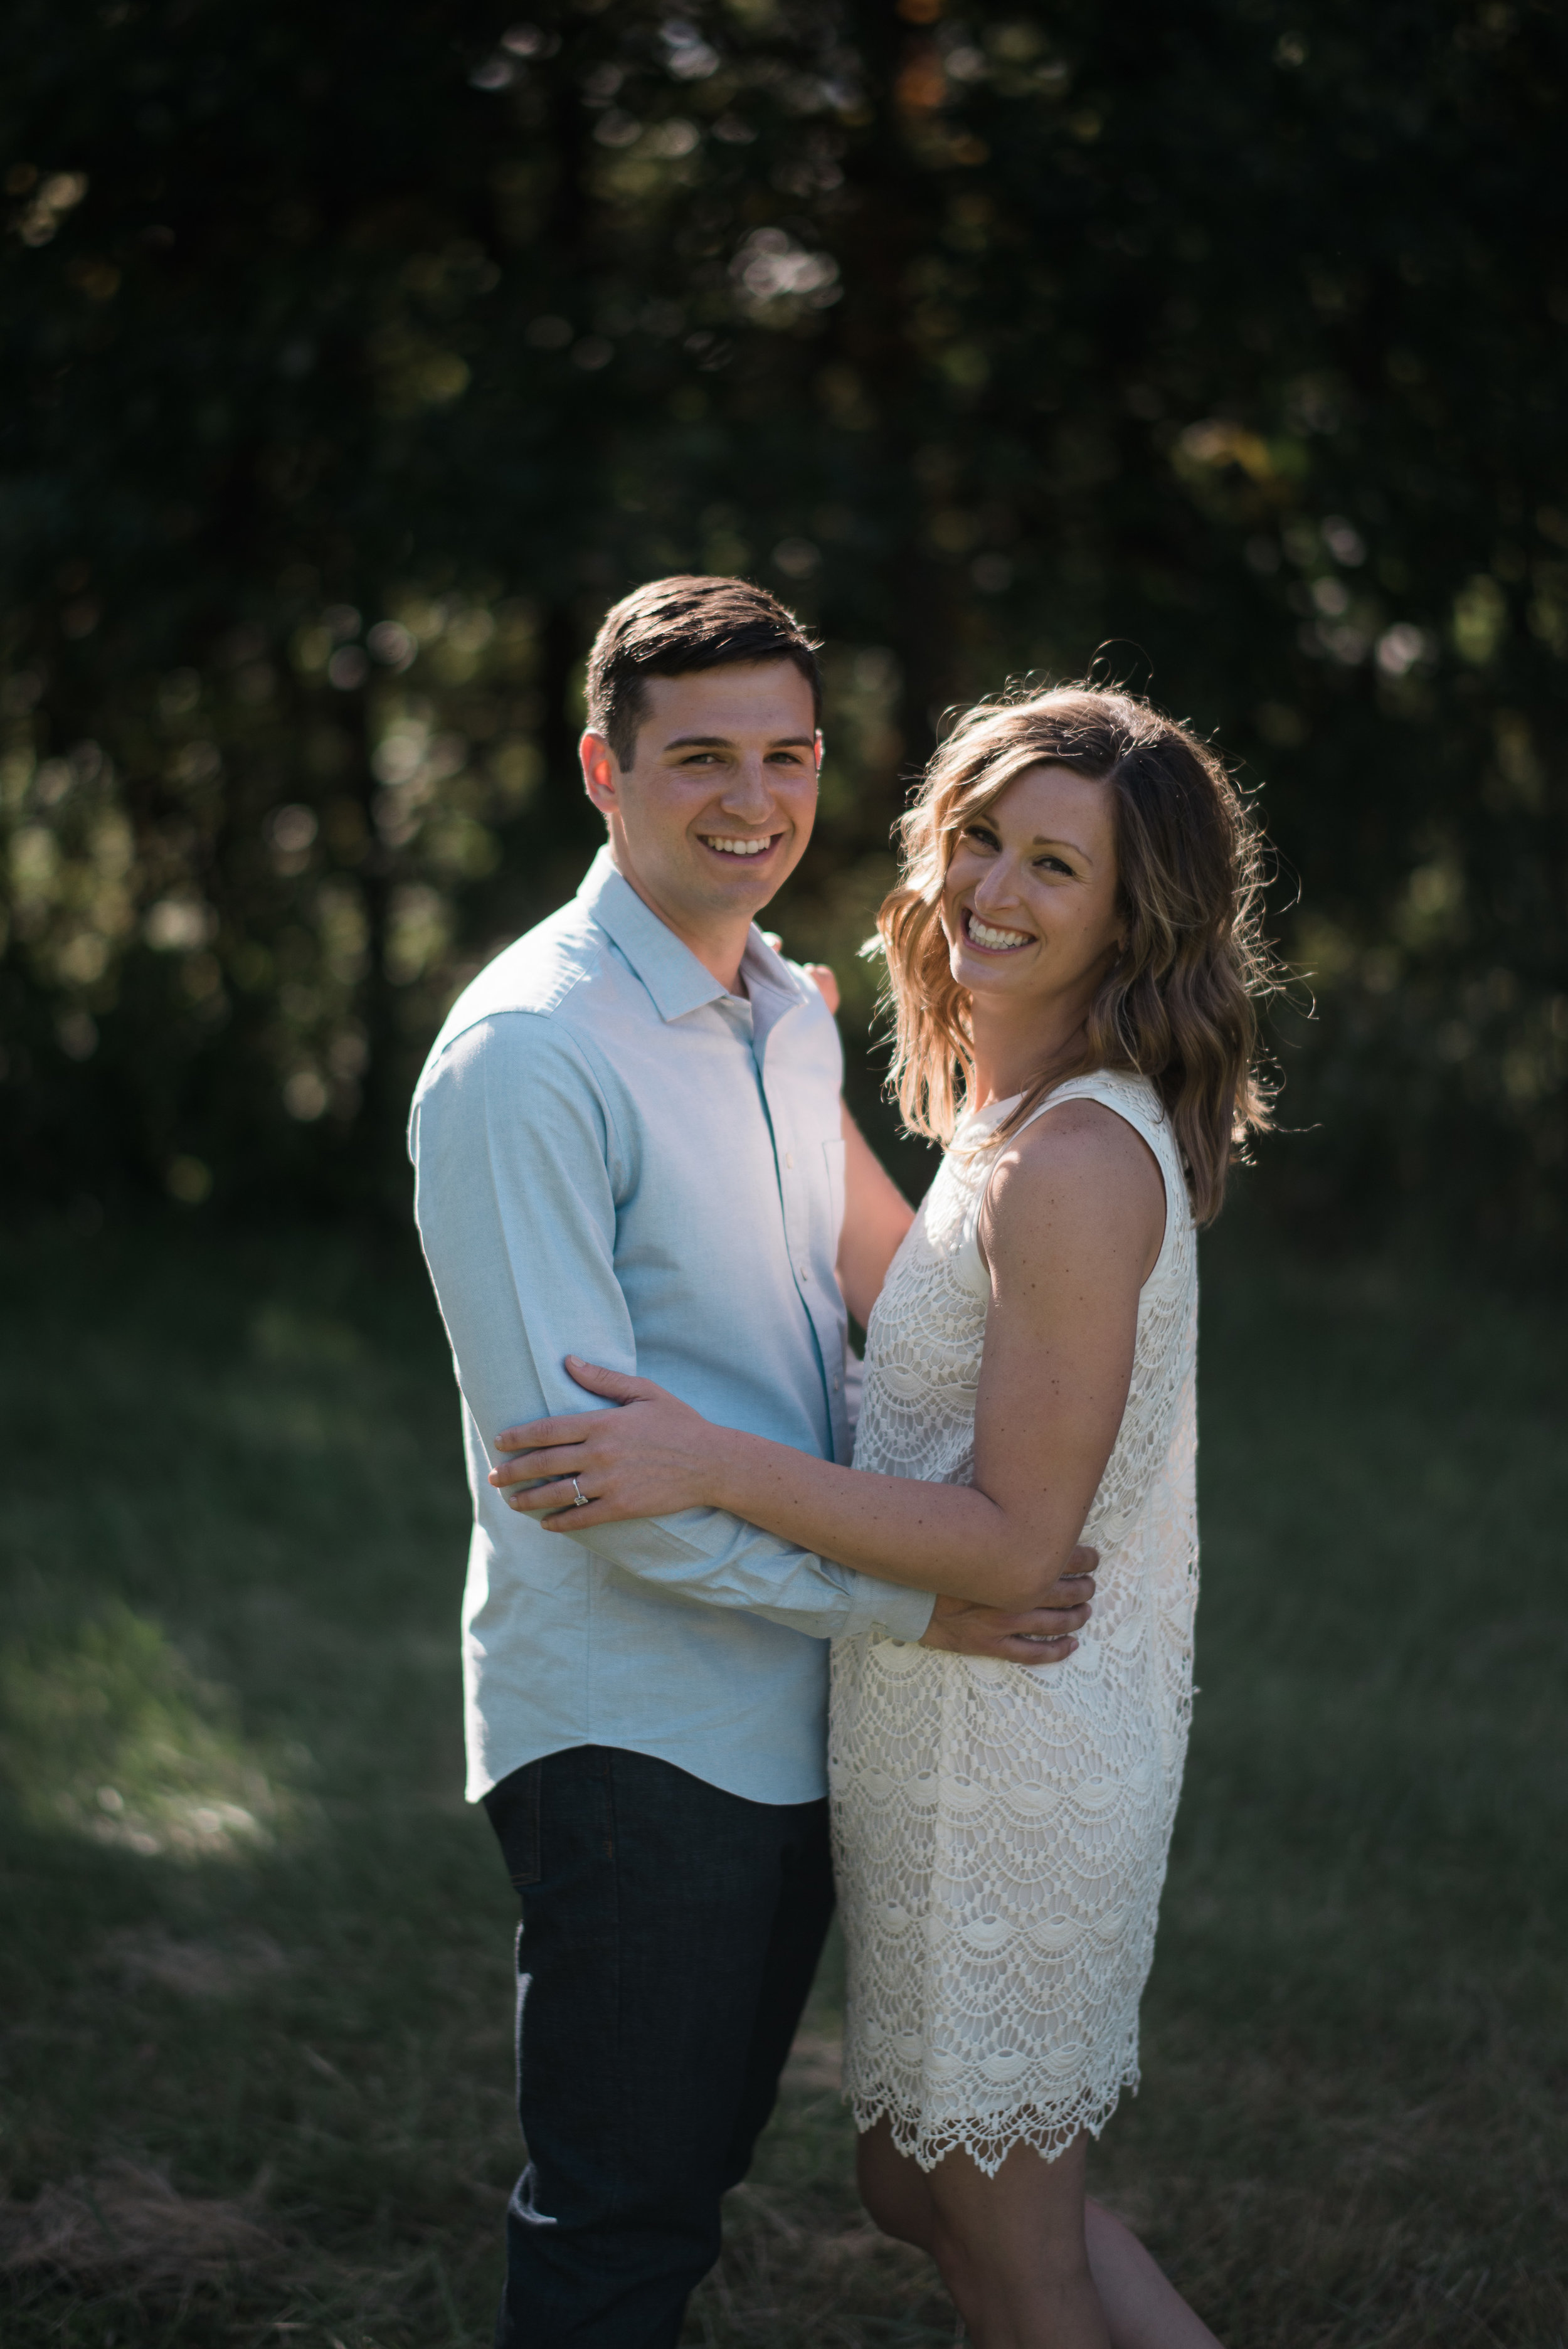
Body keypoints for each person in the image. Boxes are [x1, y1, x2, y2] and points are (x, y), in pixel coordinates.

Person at [492, 682, 1277, 2348]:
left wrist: (709, 1459)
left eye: (1053, 867)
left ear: (1134, 914)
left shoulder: (1074, 1162)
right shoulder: (1003, 1127)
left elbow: (1010, 1542)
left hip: (1016, 1743)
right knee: (928, 2189)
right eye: (978, 838)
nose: (996, 887)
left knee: (1006, 2241)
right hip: (942, 1730)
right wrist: (762, 1022)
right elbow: (871, 1255)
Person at [407, 577, 1098, 2349]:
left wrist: (1111, 1261)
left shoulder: (783, 1003)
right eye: (699, 754)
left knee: (689, 2174)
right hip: (635, 1723)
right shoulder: (527, 1057)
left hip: (802, 1689)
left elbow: (895, 1283)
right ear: (600, 767)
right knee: (619, 2213)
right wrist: (908, 1602)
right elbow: (584, 1491)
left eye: (785, 754)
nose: (753, 797)